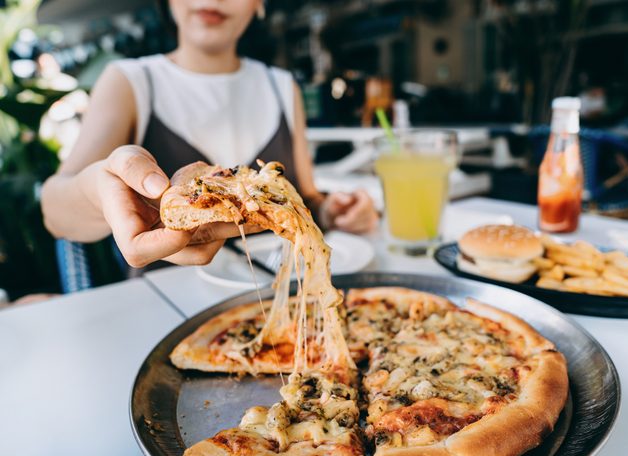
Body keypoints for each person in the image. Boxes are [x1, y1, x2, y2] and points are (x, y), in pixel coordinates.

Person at [41, 0, 378, 269]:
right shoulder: (130, 81)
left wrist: (331, 210)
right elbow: (55, 213)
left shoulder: (282, 86)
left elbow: (304, 197)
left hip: (283, 293)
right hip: (171, 309)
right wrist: (99, 191)